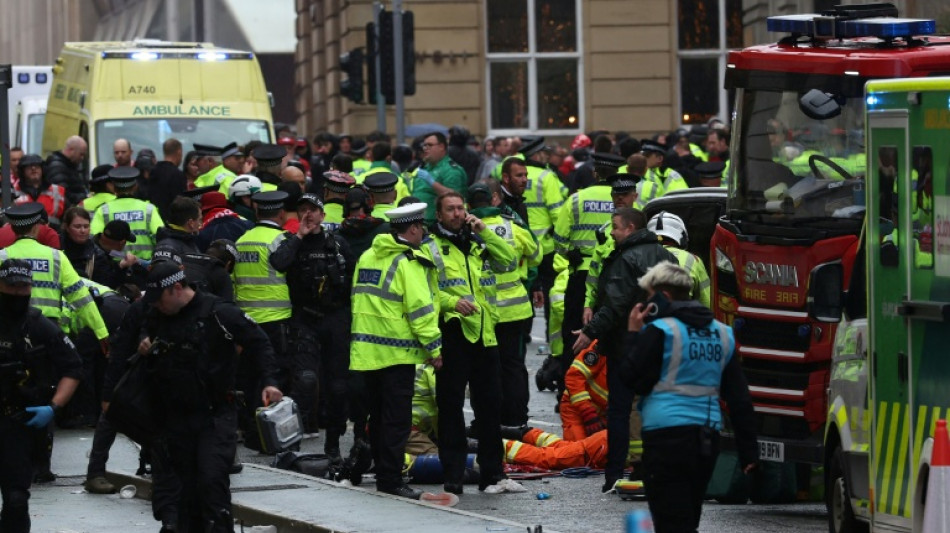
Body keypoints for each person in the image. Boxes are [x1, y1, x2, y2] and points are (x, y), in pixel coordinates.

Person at [138, 261, 283, 532]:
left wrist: (270, 382)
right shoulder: (158, 315)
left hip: (215, 414)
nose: (156, 306)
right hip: (175, 417)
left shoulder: (219, 312)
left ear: (177, 289)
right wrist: (145, 338)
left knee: (211, 481)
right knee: (183, 492)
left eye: (160, 301)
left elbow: (260, 342)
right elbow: (143, 323)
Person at [620, 261, 757, 532]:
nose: (648, 303)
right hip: (706, 439)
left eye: (650, 296)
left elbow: (631, 379)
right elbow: (739, 397)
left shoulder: (662, 330)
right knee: (688, 516)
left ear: (664, 296)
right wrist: (748, 451)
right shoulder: (722, 333)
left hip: (666, 438)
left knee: (670, 521)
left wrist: (634, 335)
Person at [420, 192, 524, 495]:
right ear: (439, 216)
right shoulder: (431, 247)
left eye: (460, 208)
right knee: (450, 407)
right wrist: (453, 303)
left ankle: (493, 474)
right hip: (453, 334)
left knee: (491, 406)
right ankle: (453, 475)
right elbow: (427, 291)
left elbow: (509, 261)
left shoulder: (479, 242)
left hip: (485, 333)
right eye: (450, 209)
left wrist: (484, 231)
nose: (457, 213)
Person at [572, 207, 675, 493]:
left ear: (630, 228)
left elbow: (615, 305)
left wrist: (589, 332)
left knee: (619, 410)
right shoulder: (666, 256)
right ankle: (655, 470)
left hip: (627, 345)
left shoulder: (626, 259)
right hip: (662, 343)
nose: (612, 232)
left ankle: (614, 473)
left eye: (616, 227)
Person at [350, 202, 442, 499]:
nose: (423, 233)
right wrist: (434, 347)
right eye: (421, 228)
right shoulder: (407, 262)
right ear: (413, 228)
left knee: (376, 418)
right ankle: (391, 479)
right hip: (397, 353)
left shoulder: (368, 256)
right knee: (396, 420)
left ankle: (382, 472)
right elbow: (420, 309)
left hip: (366, 351)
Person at [270, 193, 356, 460]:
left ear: (323, 214)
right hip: (304, 319)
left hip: (336, 319)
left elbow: (353, 281)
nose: (307, 214)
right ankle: (291, 446)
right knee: (305, 382)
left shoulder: (339, 244)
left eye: (313, 209)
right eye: (302, 210)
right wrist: (299, 236)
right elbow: (278, 263)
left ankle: (333, 446)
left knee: (338, 388)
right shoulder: (289, 242)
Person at [0, 258, 83, 533]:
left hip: (18, 422)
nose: (17, 293)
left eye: (23, 287)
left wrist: (53, 406)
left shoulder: (39, 326)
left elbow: (73, 368)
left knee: (15, 499)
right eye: (11, 287)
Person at [467, 181, 540, 426]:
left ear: (468, 204)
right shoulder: (512, 226)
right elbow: (536, 254)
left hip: (480, 313)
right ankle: (516, 418)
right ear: (494, 200)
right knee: (513, 367)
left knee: (482, 370)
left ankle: (485, 420)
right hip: (514, 311)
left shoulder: (464, 230)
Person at [555, 152, 624, 389]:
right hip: (614, 276)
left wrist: (569, 252)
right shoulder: (623, 201)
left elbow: (559, 240)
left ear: (595, 173)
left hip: (581, 274)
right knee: (609, 333)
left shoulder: (576, 200)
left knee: (573, 334)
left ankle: (570, 389)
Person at [233, 190, 293, 448]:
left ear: (257, 212)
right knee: (273, 377)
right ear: (281, 214)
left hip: (246, 319)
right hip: (276, 318)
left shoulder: (242, 240)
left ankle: (249, 429)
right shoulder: (282, 239)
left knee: (249, 378)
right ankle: (268, 436)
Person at [89, 166, 164, 260]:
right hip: (144, 268)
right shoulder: (148, 209)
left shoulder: (103, 210)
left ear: (114, 188)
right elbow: (160, 237)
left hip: (115, 267)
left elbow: (95, 240)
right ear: (135, 186)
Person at [647, 211, 711, 307]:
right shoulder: (693, 259)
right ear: (682, 236)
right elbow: (706, 302)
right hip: (684, 316)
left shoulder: (640, 256)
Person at [559, 340, 608, 441]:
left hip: (605, 416)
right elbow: (574, 376)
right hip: (575, 409)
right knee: (578, 452)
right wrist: (588, 412)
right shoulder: (605, 343)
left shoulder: (640, 351)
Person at [416, 132, 468, 223]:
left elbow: (454, 198)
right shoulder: (426, 167)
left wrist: (432, 183)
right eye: (424, 146)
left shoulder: (451, 170)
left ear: (441, 147)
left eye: (430, 145)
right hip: (421, 219)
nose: (425, 149)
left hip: (437, 222)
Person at [13, 154, 68, 229]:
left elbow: (67, 217)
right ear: (22, 171)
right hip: (24, 234)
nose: (33, 168)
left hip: (53, 233)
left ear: (43, 169)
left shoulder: (58, 190)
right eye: (29, 166)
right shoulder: (13, 192)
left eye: (37, 166)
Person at [149, 138, 188, 219]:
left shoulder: (152, 172)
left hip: (153, 219)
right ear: (179, 152)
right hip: (171, 222)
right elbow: (180, 203)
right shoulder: (178, 175)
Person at [44, 135, 88, 206]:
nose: (82, 158)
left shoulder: (69, 165)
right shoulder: (57, 167)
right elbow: (62, 194)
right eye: (81, 154)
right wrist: (83, 197)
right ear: (71, 150)